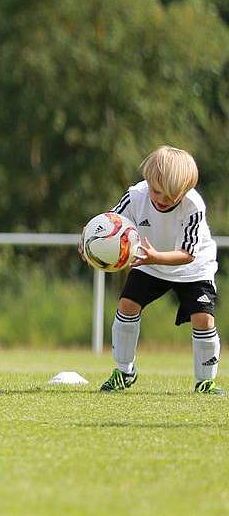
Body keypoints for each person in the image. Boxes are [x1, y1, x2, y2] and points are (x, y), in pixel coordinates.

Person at [94, 146, 221, 395]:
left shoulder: (194, 206)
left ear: (185, 192)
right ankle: (124, 371)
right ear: (148, 181)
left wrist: (155, 256)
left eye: (171, 196)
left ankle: (205, 382)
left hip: (193, 268)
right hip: (149, 263)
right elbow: (110, 222)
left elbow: (187, 254)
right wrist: (90, 241)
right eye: (157, 191)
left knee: (203, 319)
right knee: (127, 305)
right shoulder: (135, 195)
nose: (162, 200)